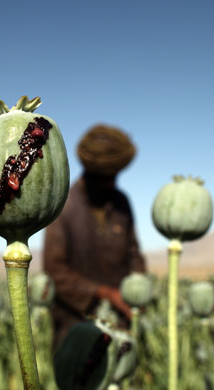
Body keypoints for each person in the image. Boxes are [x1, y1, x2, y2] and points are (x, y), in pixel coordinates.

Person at [42, 124, 147, 350]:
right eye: (102, 177)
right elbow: (54, 269)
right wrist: (105, 294)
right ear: (88, 170)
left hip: (119, 324)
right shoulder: (63, 205)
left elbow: (134, 254)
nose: (110, 183)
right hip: (73, 324)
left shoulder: (121, 202)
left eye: (113, 176)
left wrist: (138, 289)